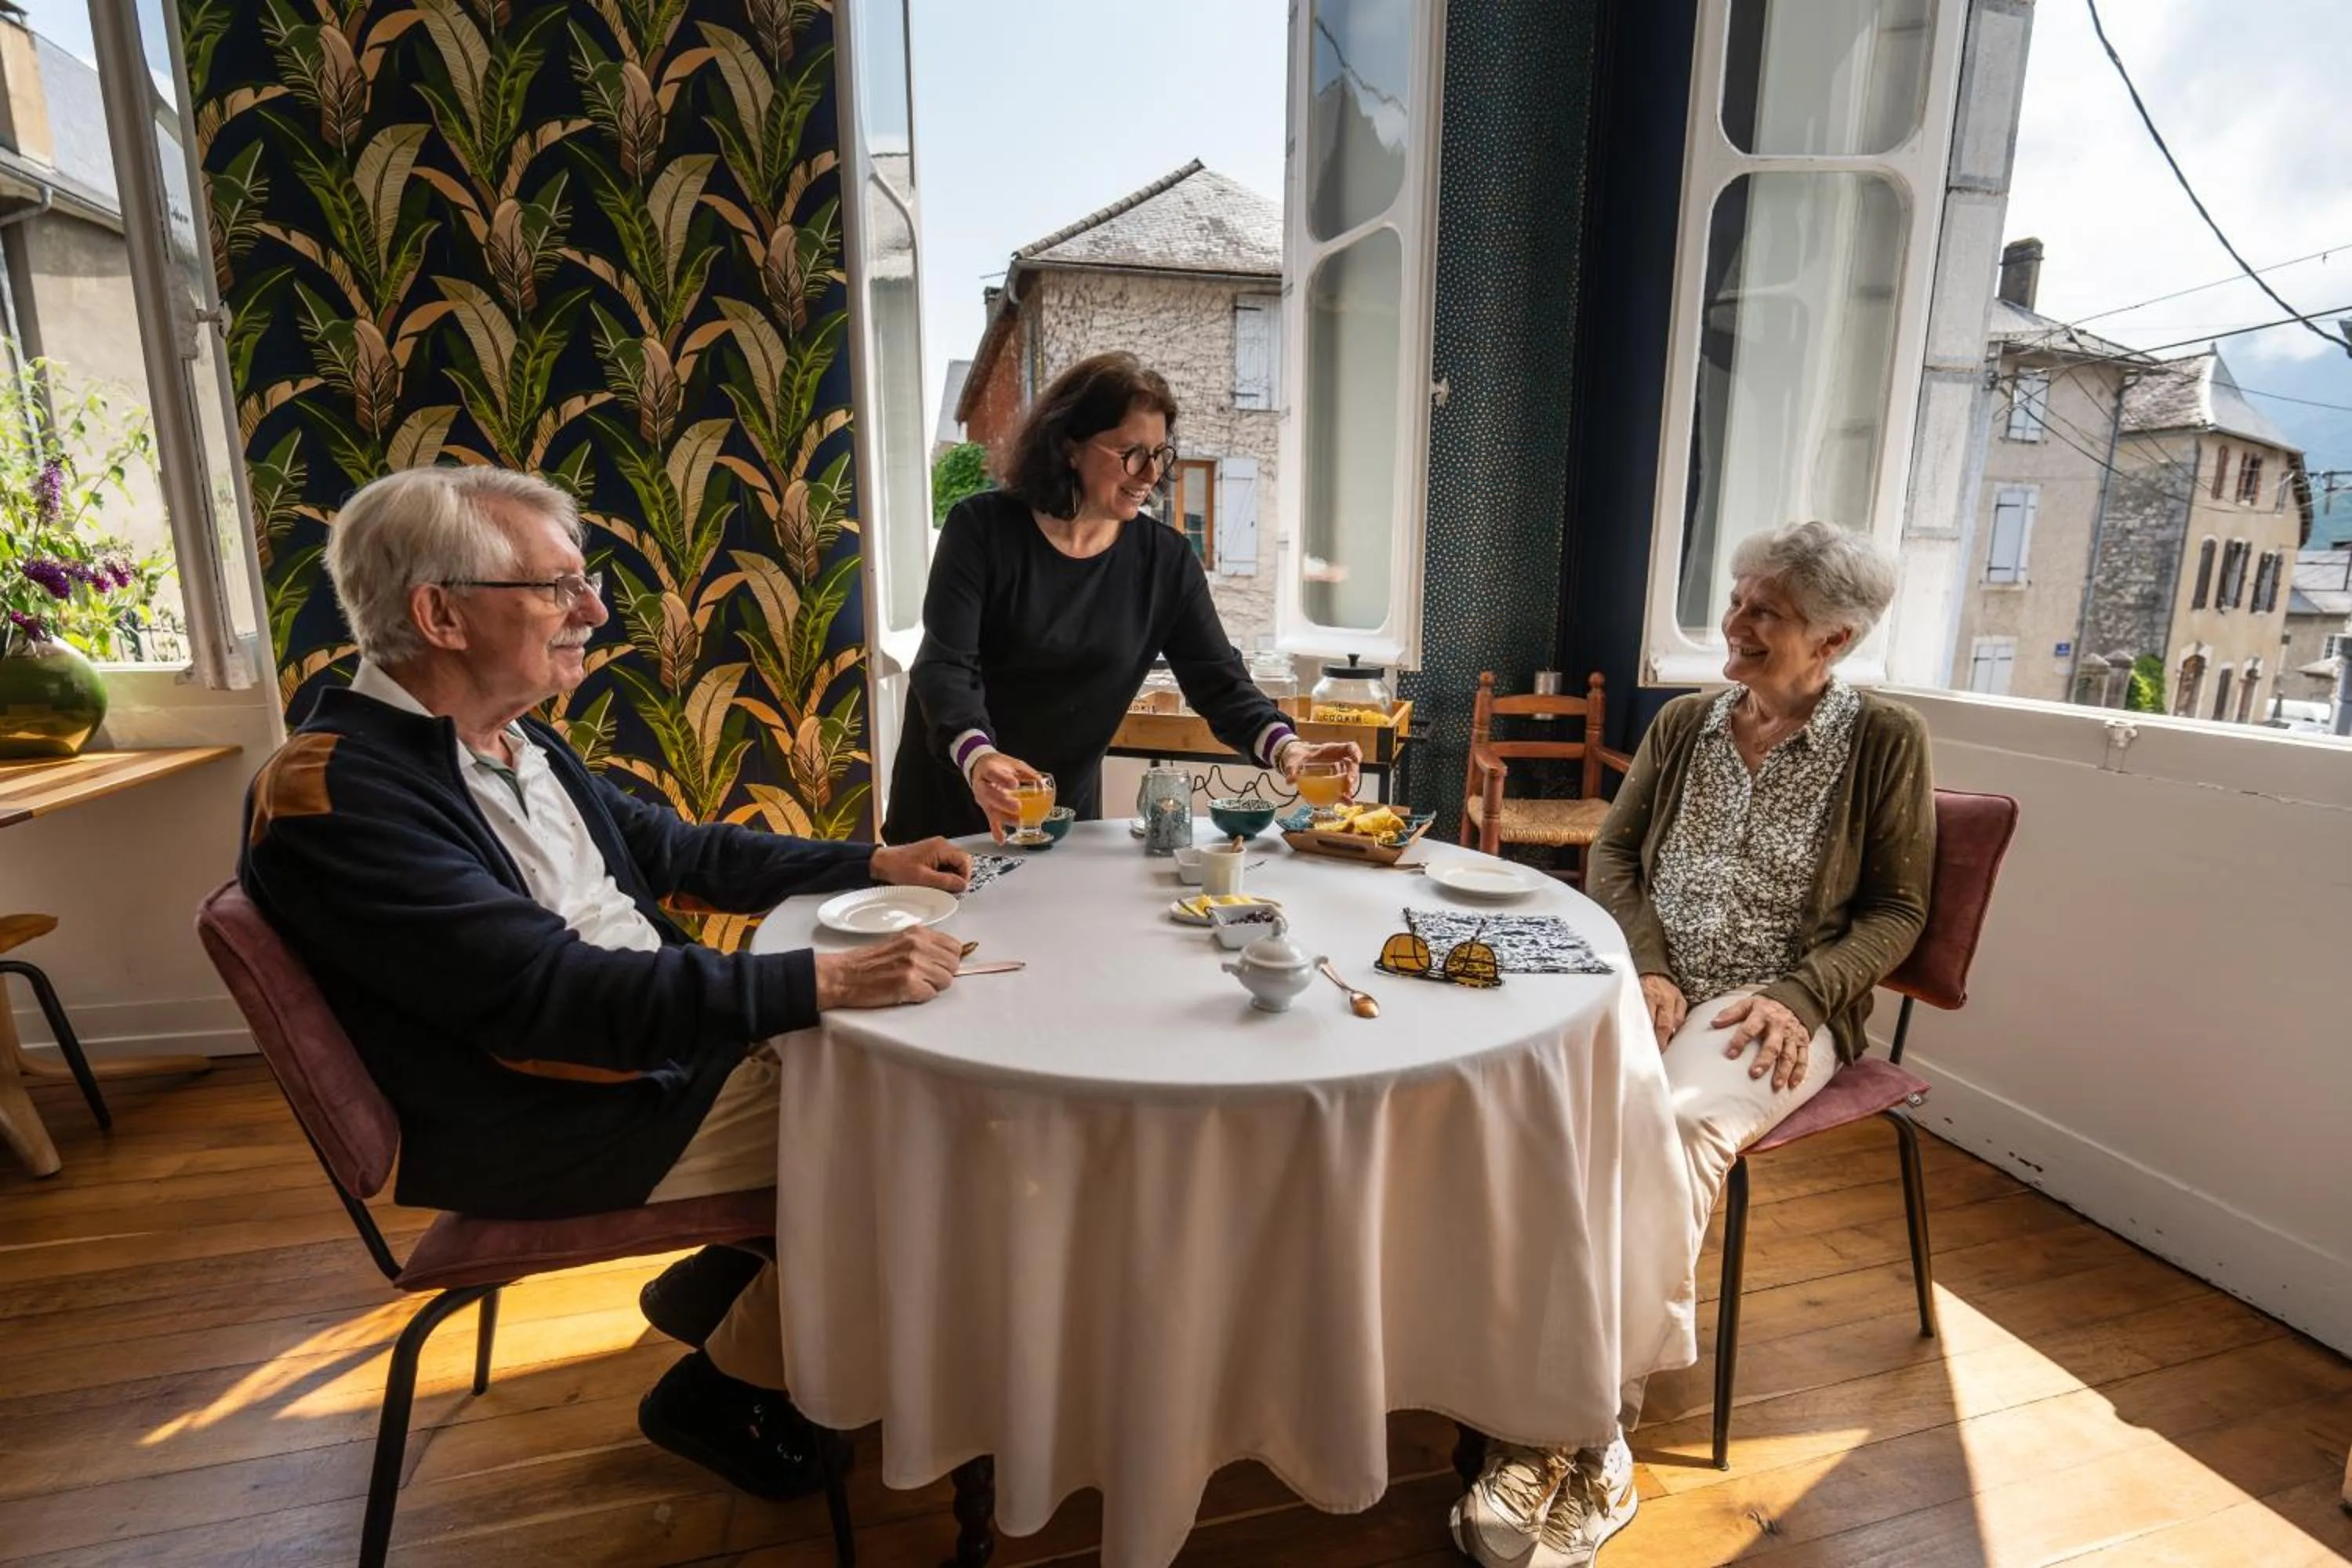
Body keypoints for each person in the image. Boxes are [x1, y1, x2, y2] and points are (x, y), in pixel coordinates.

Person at [238, 465, 973, 1503]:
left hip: (650, 1057)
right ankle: (724, 1386)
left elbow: (675, 849)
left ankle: (727, 1284)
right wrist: (826, 982)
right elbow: (553, 997)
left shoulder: (503, 736)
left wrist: (867, 866)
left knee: (929, 1068)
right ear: (439, 614)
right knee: (947, 1143)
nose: (593, 610)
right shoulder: (341, 799)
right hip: (567, 1111)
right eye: (557, 587)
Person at [1450, 521, 1934, 1568]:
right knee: (1532, 1110)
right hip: (1650, 983)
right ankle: (1507, 1380)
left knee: (1671, 1127)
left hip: (1774, 1007)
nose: (1736, 623)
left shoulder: (1884, 741)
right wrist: (1653, 963)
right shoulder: (1685, 726)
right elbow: (1617, 849)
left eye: (1768, 611)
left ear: (1833, 641)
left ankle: (1568, 1432)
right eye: (1738, 598)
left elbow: (1898, 912)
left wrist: (1806, 995)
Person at [881, 351, 1359, 843]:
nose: (1150, 474)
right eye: (1130, 452)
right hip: (948, 814)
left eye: (1159, 454)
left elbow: (1220, 684)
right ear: (1070, 446)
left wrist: (1291, 751)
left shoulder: (1165, 561)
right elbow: (945, 667)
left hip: (1061, 821)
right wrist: (980, 758)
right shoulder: (981, 530)